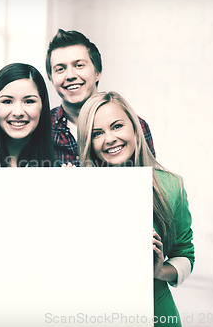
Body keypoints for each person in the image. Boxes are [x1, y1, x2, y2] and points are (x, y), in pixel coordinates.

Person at [77, 91, 194, 326]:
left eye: (117, 126)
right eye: (97, 133)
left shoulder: (171, 186)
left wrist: (159, 271)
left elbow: (185, 254)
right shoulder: (78, 192)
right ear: (88, 142)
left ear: (134, 127)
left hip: (155, 313)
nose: (109, 138)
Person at [46, 29, 156, 166]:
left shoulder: (135, 126)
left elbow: (147, 182)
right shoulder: (42, 129)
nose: (70, 76)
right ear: (51, 78)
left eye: (79, 65)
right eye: (60, 69)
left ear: (97, 72)